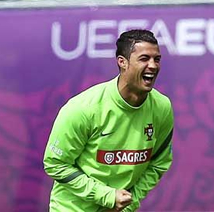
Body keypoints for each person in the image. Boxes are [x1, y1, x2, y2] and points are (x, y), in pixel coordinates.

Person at [43, 29, 174, 211]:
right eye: (144, 59)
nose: (153, 65)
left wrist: (129, 202)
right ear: (123, 62)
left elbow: (159, 162)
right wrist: (106, 196)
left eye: (157, 59)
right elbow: (55, 163)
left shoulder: (162, 108)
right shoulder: (84, 107)